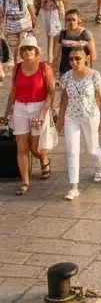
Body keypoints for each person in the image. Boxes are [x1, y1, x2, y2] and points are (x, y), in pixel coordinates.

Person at [0, 36, 55, 195]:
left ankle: (44, 158)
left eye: (30, 49)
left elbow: (51, 92)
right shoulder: (17, 68)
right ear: (21, 52)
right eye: (24, 49)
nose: (27, 52)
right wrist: (7, 113)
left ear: (36, 51)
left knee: (34, 147)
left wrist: (44, 113)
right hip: (20, 108)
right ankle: (25, 182)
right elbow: (13, 92)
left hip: (39, 107)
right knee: (22, 147)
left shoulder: (45, 68)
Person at [56, 43, 101, 199]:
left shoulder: (94, 75)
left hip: (90, 116)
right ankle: (73, 187)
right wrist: (60, 118)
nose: (74, 62)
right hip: (72, 117)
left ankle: (99, 167)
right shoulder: (66, 77)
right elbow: (63, 99)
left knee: (92, 148)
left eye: (77, 59)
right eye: (71, 59)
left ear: (86, 59)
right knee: (72, 151)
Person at [33, 0, 67, 65]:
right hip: (44, 9)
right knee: (48, 34)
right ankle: (50, 57)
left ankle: (52, 58)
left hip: (55, 9)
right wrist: (35, 10)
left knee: (54, 34)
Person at [57, 9, 96, 75]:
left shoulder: (85, 34)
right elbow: (57, 53)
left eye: (73, 19)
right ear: (65, 21)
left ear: (79, 20)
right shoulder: (62, 34)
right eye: (68, 20)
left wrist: (89, 71)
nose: (71, 22)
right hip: (65, 69)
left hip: (81, 69)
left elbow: (93, 55)